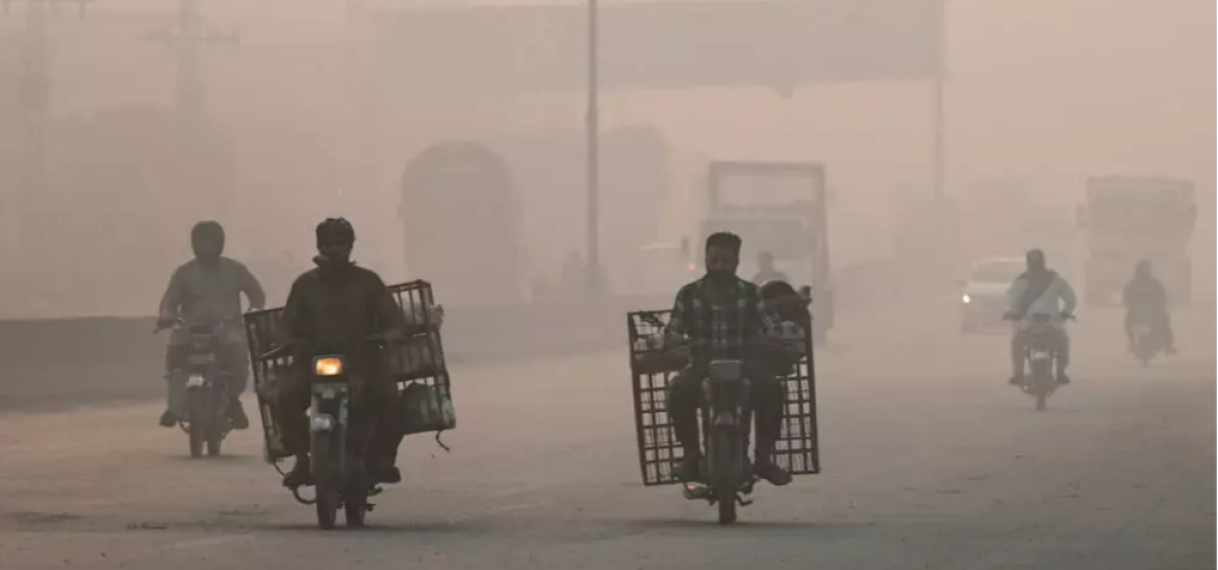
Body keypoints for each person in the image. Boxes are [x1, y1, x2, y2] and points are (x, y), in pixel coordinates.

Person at [274, 218, 408, 489]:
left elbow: (394, 321)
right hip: (313, 362)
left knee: (393, 402)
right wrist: (291, 341)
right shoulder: (304, 285)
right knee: (283, 399)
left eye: (342, 244)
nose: (336, 250)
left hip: (362, 360)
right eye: (330, 244)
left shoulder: (368, 282)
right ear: (320, 246)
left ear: (350, 246)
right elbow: (286, 325)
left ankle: (381, 458)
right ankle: (301, 459)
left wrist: (387, 335)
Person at [663, 232, 793, 487]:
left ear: (736, 262)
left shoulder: (752, 294)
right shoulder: (688, 295)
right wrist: (671, 339)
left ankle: (764, 458)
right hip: (702, 365)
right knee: (678, 390)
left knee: (772, 390)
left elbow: (770, 325)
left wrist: (777, 336)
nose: (720, 266)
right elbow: (675, 327)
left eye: (726, 261)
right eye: (715, 261)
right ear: (706, 261)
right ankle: (691, 456)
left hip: (745, 363)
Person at [157, 221, 265, 429]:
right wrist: (167, 315)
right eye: (202, 242)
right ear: (194, 244)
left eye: (211, 243)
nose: (206, 248)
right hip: (191, 330)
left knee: (238, 353)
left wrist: (255, 310)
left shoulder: (235, 270)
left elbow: (256, 294)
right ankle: (175, 405)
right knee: (174, 354)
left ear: (220, 244)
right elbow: (170, 301)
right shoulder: (184, 273)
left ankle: (233, 400)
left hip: (226, 328)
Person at [1003, 249, 1077, 386]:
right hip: (1027, 324)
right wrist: (1011, 312)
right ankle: (1018, 373)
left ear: (1043, 262)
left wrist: (1066, 312)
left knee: (1063, 343)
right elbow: (1011, 298)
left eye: (1037, 263)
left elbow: (1070, 298)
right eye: (1033, 263)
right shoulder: (1021, 282)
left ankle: (1060, 372)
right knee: (1017, 342)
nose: (1035, 266)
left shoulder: (1055, 280)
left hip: (1052, 323)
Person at [1122, 260, 1176, 353]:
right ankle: (1167, 346)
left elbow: (1126, 298)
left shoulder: (1133, 284)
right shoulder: (1154, 283)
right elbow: (1162, 297)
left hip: (1147, 313)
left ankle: (1132, 342)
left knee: (1163, 319)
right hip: (1143, 313)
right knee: (1164, 319)